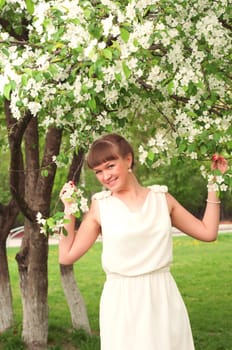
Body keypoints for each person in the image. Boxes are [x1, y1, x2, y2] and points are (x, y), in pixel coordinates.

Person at [59, 133, 228, 350]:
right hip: (121, 303)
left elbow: (207, 232)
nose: (105, 176)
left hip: (163, 297)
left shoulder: (162, 199)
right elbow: (66, 255)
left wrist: (214, 183)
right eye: (98, 172)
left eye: (110, 166)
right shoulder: (101, 207)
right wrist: (69, 209)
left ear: (128, 160)